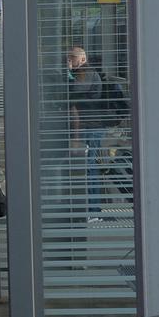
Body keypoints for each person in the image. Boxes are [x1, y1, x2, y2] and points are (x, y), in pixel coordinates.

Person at [65, 46, 106, 220]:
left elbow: (74, 90)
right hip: (89, 125)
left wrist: (67, 73)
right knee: (88, 166)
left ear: (81, 59)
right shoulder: (83, 71)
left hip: (91, 127)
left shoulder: (86, 71)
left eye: (71, 59)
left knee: (89, 166)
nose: (69, 62)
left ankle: (93, 210)